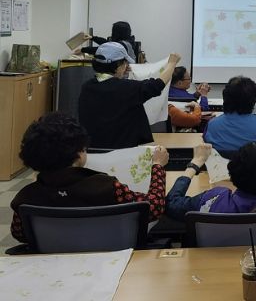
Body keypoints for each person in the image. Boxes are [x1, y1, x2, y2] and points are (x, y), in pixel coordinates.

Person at [10, 113, 168, 244]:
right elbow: (153, 207)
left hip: (51, 264)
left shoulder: (26, 197)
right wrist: (157, 166)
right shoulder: (107, 187)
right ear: (79, 154)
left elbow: (20, 234)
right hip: (111, 259)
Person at [78, 43, 180, 148]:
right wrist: (172, 63)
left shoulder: (87, 87)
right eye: (125, 63)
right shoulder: (126, 88)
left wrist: (121, 73)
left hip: (93, 150)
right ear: (119, 65)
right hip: (124, 152)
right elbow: (157, 85)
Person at [203, 76, 256, 154]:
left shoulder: (211, 125)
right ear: (254, 100)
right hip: (255, 164)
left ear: (225, 98)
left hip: (220, 164)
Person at [168, 66, 211, 132]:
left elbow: (190, 98)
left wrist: (198, 93)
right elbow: (203, 110)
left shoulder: (168, 92)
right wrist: (204, 95)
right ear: (179, 83)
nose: (190, 81)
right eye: (189, 79)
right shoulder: (186, 99)